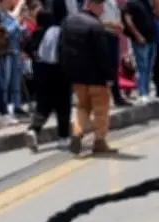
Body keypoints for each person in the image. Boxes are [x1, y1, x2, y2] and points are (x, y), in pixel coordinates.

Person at [59, 0, 117, 154]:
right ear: (91, 5)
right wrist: (110, 75)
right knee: (101, 109)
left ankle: (77, 132)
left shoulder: (68, 22)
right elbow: (103, 54)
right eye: (100, 5)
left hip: (77, 75)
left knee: (82, 106)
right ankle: (99, 141)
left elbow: (62, 48)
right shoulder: (95, 26)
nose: (102, 8)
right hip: (96, 76)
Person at [23, 9, 71, 151]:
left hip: (41, 76)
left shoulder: (35, 34)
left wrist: (35, 58)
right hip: (59, 74)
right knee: (63, 107)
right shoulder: (58, 32)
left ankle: (34, 130)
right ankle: (63, 137)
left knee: (43, 106)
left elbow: (26, 48)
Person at [122, 0, 156, 104]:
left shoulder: (147, 3)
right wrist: (137, 35)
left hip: (151, 39)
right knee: (142, 66)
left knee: (149, 67)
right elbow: (128, 21)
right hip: (140, 40)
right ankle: (141, 93)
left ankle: (147, 92)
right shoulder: (131, 3)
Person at [102, 0, 132, 106]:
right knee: (105, 68)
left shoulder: (112, 2)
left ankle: (117, 96)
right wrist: (110, 23)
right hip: (102, 34)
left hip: (114, 35)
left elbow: (117, 16)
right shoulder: (96, 3)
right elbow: (92, 19)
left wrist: (119, 25)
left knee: (114, 67)